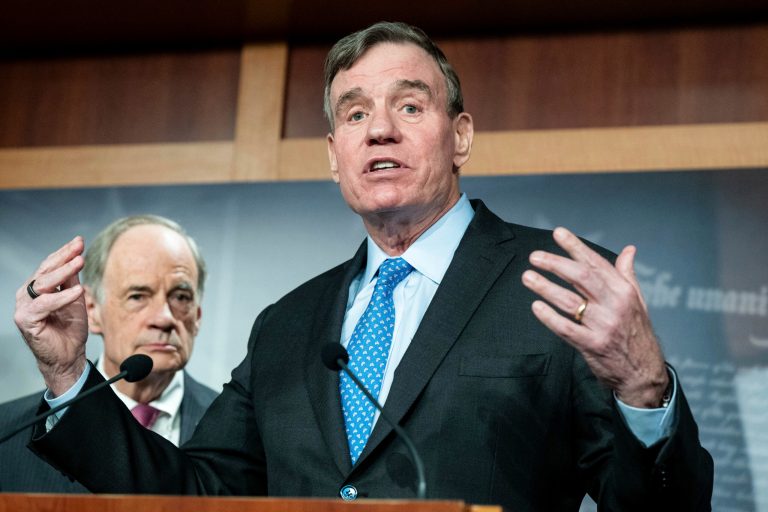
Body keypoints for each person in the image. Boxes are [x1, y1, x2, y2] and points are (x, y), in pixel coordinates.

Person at [13, 22, 712, 510]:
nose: (379, 128)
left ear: (460, 134)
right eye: (354, 114)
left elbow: (655, 508)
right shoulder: (287, 326)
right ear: (333, 152)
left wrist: (645, 393)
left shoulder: (552, 283)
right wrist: (70, 376)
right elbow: (193, 497)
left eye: (410, 105)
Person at [1, 214, 218, 492]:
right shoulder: (8, 431)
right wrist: (64, 372)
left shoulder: (244, 434)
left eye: (181, 297)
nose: (164, 318)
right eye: (138, 296)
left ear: (198, 316)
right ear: (92, 310)